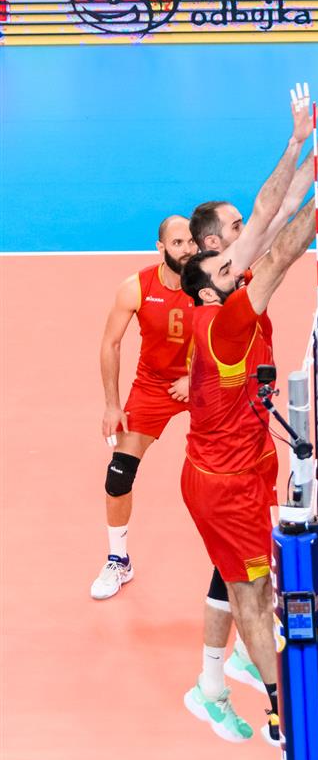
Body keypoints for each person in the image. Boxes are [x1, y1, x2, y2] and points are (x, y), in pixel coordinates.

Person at [181, 83, 318, 743]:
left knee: (243, 579)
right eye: (228, 261)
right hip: (224, 484)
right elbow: (278, 253)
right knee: (252, 590)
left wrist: (304, 148)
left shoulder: (222, 292)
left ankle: (221, 677)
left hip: (243, 464)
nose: (239, 258)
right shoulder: (224, 325)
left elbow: (265, 220)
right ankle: (283, 708)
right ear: (211, 287)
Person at [92, 216, 198, 601]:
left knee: (232, 470)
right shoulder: (136, 287)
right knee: (118, 475)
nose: (186, 249)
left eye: (191, 242)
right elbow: (111, 343)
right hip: (153, 386)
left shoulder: (210, 281)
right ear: (161, 247)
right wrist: (112, 405)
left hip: (204, 382)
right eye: (177, 243)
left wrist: (195, 378)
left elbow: (229, 337)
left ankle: (244, 558)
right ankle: (118, 560)